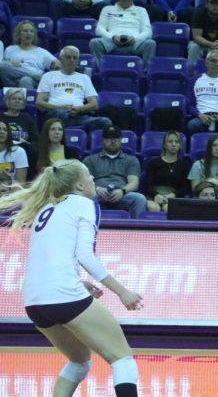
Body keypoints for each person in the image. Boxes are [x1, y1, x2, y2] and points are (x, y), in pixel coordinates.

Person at [0, 159, 143, 397]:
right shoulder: (84, 204)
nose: (93, 180)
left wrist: (80, 282)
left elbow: (47, 257)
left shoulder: (45, 208)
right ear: (78, 185)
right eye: (89, 176)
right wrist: (122, 292)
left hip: (34, 301)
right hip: (62, 294)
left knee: (79, 362)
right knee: (123, 360)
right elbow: (85, 255)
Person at [36, 46, 112, 133]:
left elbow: (94, 104)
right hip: (55, 116)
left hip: (78, 116)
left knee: (105, 121)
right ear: (60, 59)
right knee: (61, 113)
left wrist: (80, 109)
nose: (72, 60)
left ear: (77, 61)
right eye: (68, 57)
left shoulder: (84, 78)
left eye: (75, 58)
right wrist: (60, 107)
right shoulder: (49, 76)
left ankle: (78, 135)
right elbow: (39, 102)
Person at [83, 126, 147, 219]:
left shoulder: (131, 160)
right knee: (84, 199)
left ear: (121, 140)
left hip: (122, 195)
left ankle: (135, 231)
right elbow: (85, 182)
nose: (112, 141)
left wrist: (122, 191)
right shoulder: (90, 160)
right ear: (103, 140)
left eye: (116, 138)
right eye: (109, 138)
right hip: (98, 194)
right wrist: (98, 189)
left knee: (139, 199)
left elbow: (134, 183)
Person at [90, 0, 156, 67]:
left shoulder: (141, 10)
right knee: (94, 43)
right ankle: (100, 70)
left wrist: (135, 38)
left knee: (151, 44)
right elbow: (99, 29)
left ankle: (145, 72)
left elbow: (148, 31)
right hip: (111, 41)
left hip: (134, 42)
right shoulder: (107, 9)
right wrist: (112, 37)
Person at [186, 49, 218, 136]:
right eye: (213, 61)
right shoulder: (195, 80)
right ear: (206, 63)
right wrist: (199, 115)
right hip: (201, 118)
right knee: (191, 125)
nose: (216, 64)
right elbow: (190, 105)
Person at [0, 20, 59, 89]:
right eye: (25, 31)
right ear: (19, 35)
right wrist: (9, 63)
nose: (29, 33)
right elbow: (5, 68)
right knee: (2, 65)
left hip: (33, 82)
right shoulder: (10, 49)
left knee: (25, 80)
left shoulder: (41, 52)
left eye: (31, 31)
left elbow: (56, 63)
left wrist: (57, 64)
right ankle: (37, 76)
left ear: (34, 35)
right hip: (12, 81)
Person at [144, 130, 191, 212]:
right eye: (170, 141)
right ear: (164, 145)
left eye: (176, 142)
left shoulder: (185, 165)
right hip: (154, 196)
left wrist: (173, 195)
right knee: (153, 208)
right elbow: (147, 184)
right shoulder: (153, 162)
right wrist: (156, 195)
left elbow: (185, 187)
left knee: (168, 208)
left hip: (174, 197)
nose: (173, 144)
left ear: (180, 145)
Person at [187, 134, 218, 201]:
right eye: (214, 145)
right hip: (200, 202)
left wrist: (216, 204)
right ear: (209, 147)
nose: (217, 148)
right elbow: (195, 191)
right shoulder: (197, 165)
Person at [0, 88, 39, 159]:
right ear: (7, 100)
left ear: (23, 103)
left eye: (20, 99)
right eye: (14, 98)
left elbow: (36, 141)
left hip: (24, 153)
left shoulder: (28, 119)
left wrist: (27, 143)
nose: (17, 101)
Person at [0, 119, 28, 187]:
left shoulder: (19, 152)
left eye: (5, 130)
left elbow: (20, 185)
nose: (2, 132)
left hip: (11, 194)